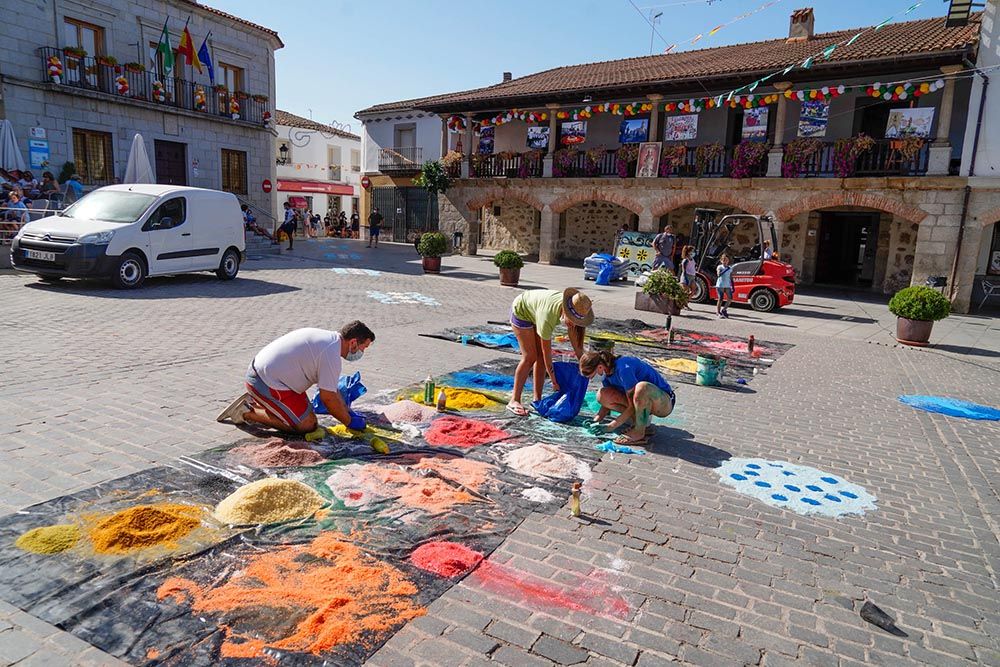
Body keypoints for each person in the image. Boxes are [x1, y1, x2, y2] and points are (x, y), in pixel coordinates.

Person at [217, 321, 375, 435]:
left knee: (306, 415)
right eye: (363, 347)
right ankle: (246, 411)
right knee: (307, 425)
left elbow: (332, 392)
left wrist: (347, 411)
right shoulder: (330, 355)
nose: (362, 352)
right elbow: (328, 399)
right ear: (353, 342)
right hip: (264, 382)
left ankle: (266, 404)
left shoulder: (330, 341)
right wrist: (349, 421)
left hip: (274, 378)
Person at [507, 288, 594, 417]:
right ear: (565, 310)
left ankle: (537, 400)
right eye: (571, 320)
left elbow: (578, 349)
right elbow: (546, 352)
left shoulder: (575, 310)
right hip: (522, 310)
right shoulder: (548, 315)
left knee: (540, 358)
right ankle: (514, 400)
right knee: (530, 357)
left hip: (535, 311)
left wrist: (587, 367)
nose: (573, 324)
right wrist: (554, 380)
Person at [579, 350, 675, 446]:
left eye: (591, 376)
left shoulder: (623, 368)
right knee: (602, 395)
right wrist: (597, 420)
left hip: (664, 403)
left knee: (642, 388)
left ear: (600, 367)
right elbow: (608, 402)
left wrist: (611, 426)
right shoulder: (607, 373)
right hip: (642, 402)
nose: (591, 380)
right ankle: (641, 425)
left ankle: (639, 432)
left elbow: (633, 404)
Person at [716, 253, 734, 318]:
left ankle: (724, 310)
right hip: (720, 285)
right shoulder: (719, 267)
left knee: (730, 298)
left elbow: (731, 277)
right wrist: (723, 271)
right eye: (723, 260)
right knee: (720, 299)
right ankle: (718, 312)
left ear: (728, 260)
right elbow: (718, 274)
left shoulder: (730, 268)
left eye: (726, 260)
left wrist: (733, 286)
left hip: (727, 285)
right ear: (721, 260)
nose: (725, 261)